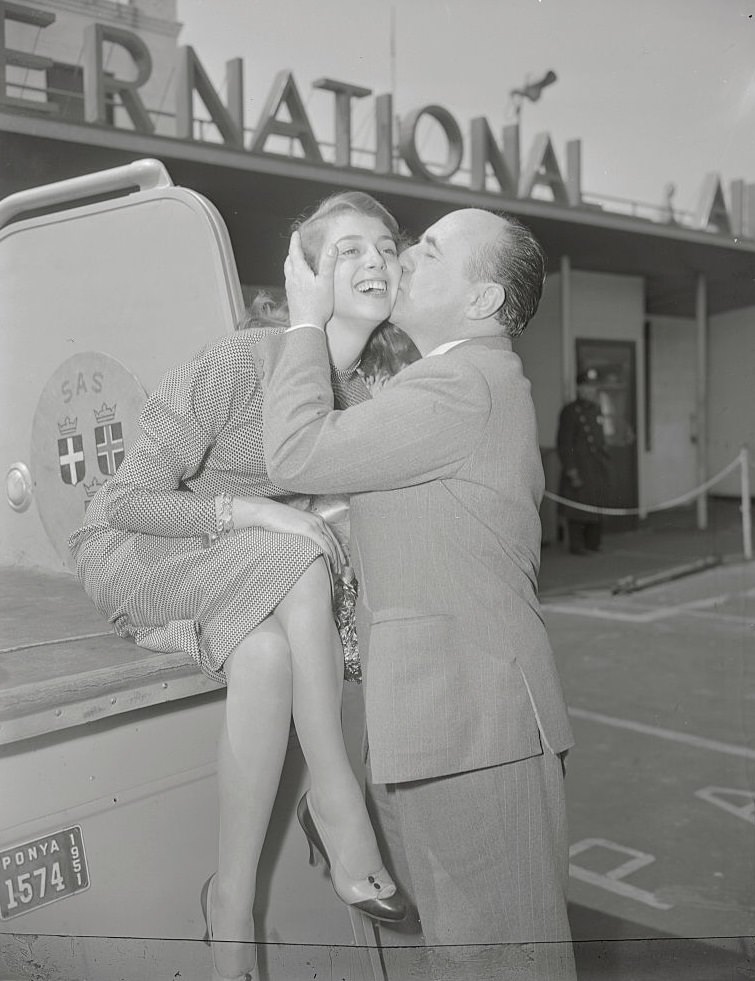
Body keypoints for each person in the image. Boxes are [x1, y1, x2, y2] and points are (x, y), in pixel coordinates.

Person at [68, 192, 413, 981]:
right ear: (305, 273)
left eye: (387, 248)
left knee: (262, 656)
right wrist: (252, 509)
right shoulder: (238, 361)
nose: (374, 262)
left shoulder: (362, 399)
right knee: (298, 553)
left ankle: (228, 906)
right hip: (132, 547)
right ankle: (335, 801)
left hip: (231, 572)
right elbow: (123, 501)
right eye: (347, 249)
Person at [255, 207, 577, 980]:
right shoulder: (442, 384)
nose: (402, 259)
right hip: (440, 720)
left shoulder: (460, 385)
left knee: (501, 960)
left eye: (428, 252)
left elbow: (296, 451)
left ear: (481, 302)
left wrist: (305, 323)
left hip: (477, 728)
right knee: (464, 954)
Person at [556, 369, 610, 555]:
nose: (589, 390)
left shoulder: (596, 410)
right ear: (578, 389)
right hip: (580, 466)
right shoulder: (571, 411)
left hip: (595, 466)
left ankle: (593, 543)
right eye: (585, 386)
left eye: (592, 387)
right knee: (578, 507)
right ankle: (577, 546)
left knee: (596, 504)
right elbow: (565, 442)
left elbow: (601, 438)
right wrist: (571, 470)